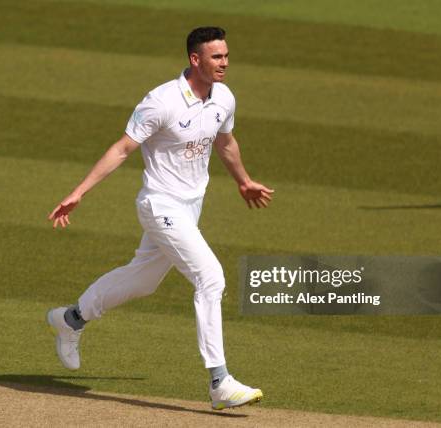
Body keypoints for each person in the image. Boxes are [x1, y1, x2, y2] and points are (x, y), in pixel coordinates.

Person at [47, 26, 274, 410]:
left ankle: (70, 319)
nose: (225, 63)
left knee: (144, 280)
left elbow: (225, 141)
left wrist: (244, 181)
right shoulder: (161, 101)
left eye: (226, 55)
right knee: (210, 277)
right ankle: (219, 380)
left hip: (190, 207)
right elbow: (122, 148)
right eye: (216, 57)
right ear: (195, 59)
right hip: (160, 205)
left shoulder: (224, 98)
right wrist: (78, 192)